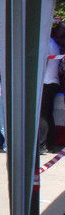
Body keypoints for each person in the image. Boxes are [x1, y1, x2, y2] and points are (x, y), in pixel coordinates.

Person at [39, 19, 62, 154]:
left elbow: (43, 63)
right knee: (47, 115)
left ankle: (43, 144)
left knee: (43, 115)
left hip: (46, 82)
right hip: (51, 82)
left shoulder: (46, 43)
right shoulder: (52, 43)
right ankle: (49, 143)